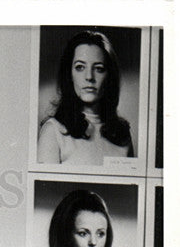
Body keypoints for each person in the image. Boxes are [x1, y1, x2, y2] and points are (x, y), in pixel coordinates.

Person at [37, 29, 134, 165]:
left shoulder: (122, 134)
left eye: (99, 68)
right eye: (80, 67)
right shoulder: (53, 131)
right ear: (69, 75)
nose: (89, 77)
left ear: (109, 77)